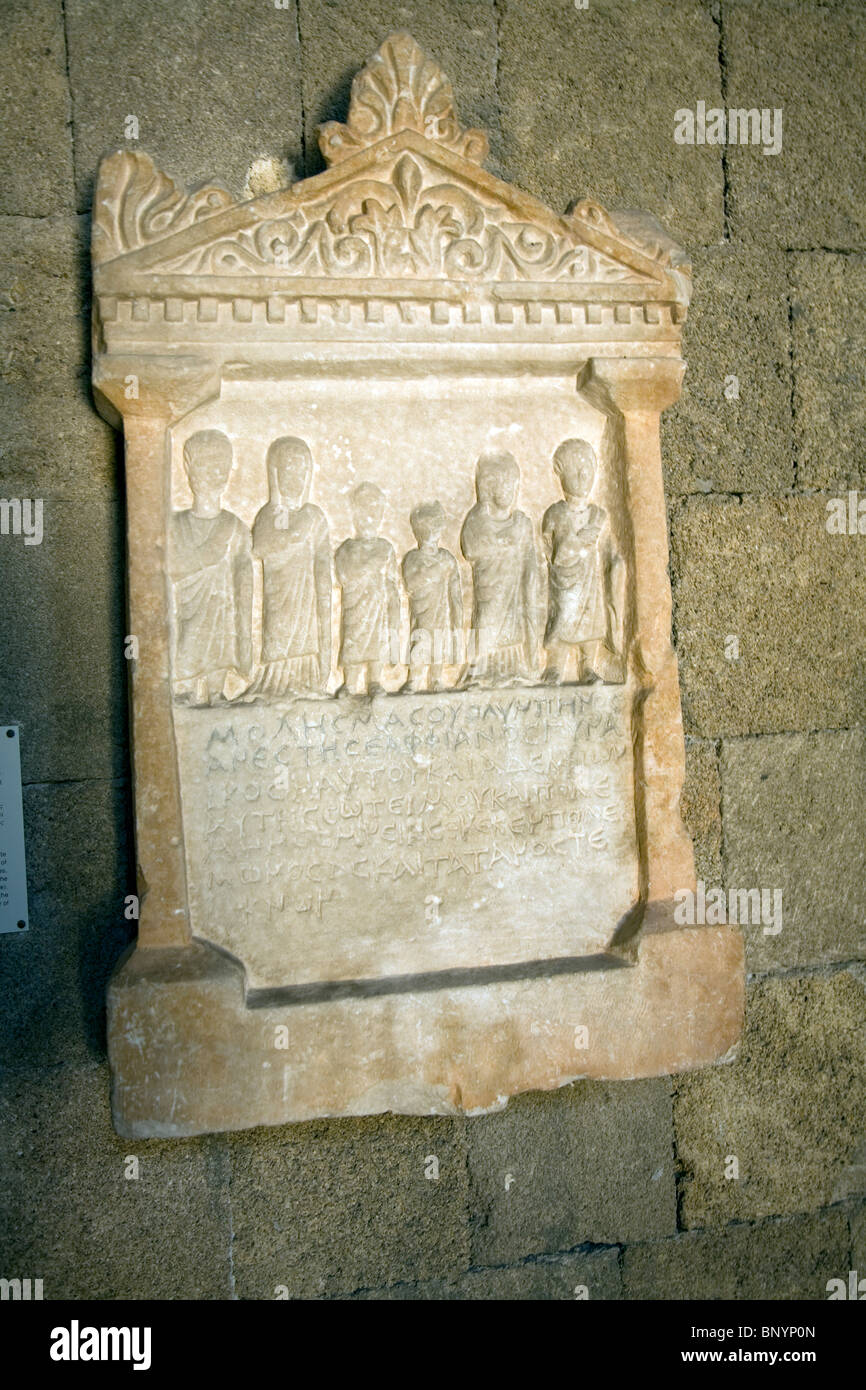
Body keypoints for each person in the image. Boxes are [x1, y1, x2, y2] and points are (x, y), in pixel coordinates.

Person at [169, 429, 252, 705]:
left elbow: (243, 579)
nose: (212, 473)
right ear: (189, 468)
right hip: (186, 609)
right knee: (190, 638)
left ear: (228, 472)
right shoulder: (174, 525)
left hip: (223, 611)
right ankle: (189, 689)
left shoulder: (235, 527)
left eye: (219, 465)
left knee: (220, 637)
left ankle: (217, 691)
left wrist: (245, 637)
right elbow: (168, 570)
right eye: (204, 464)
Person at [249, 437, 331, 697]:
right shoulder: (272, 513)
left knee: (306, 638)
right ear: (275, 473)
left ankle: (305, 682)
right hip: (280, 592)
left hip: (307, 595)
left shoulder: (314, 515)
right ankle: (276, 684)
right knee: (280, 634)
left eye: (300, 470)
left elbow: (323, 560)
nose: (294, 477)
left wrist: (325, 595)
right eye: (288, 469)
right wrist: (294, 535)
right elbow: (260, 547)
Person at [541, 437, 623, 684]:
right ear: (560, 473)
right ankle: (555, 666)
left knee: (591, 622)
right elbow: (547, 545)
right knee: (563, 617)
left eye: (587, 468)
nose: (582, 474)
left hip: (591, 581)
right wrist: (563, 558)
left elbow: (610, 551)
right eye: (575, 469)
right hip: (564, 580)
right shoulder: (555, 513)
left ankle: (587, 667)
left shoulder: (599, 515)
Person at [460, 451, 539, 684]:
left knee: (512, 631)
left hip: (513, 591)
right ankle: (479, 672)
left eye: (512, 484)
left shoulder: (522, 522)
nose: (508, 490)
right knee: (486, 623)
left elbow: (530, 560)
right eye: (501, 483)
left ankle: (512, 671)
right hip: (490, 588)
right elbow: (471, 548)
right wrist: (505, 538)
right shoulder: (477, 517)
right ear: (488, 486)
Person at [335, 482, 401, 695]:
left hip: (378, 607)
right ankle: (350, 683)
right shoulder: (346, 548)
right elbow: (343, 576)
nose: (370, 514)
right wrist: (369, 565)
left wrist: (394, 613)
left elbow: (392, 582)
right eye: (365, 507)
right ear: (355, 511)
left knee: (377, 641)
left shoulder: (386, 548)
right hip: (355, 605)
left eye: (375, 508)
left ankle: (374, 680)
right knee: (353, 640)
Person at [401, 501, 463, 692]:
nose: (430, 531)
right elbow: (411, 584)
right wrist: (435, 569)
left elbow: (455, 595)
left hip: (442, 614)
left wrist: (457, 623)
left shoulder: (448, 558)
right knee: (420, 643)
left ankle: (436, 679)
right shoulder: (412, 558)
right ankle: (414, 679)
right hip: (421, 612)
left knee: (439, 645)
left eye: (435, 525)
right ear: (417, 529)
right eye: (426, 526)